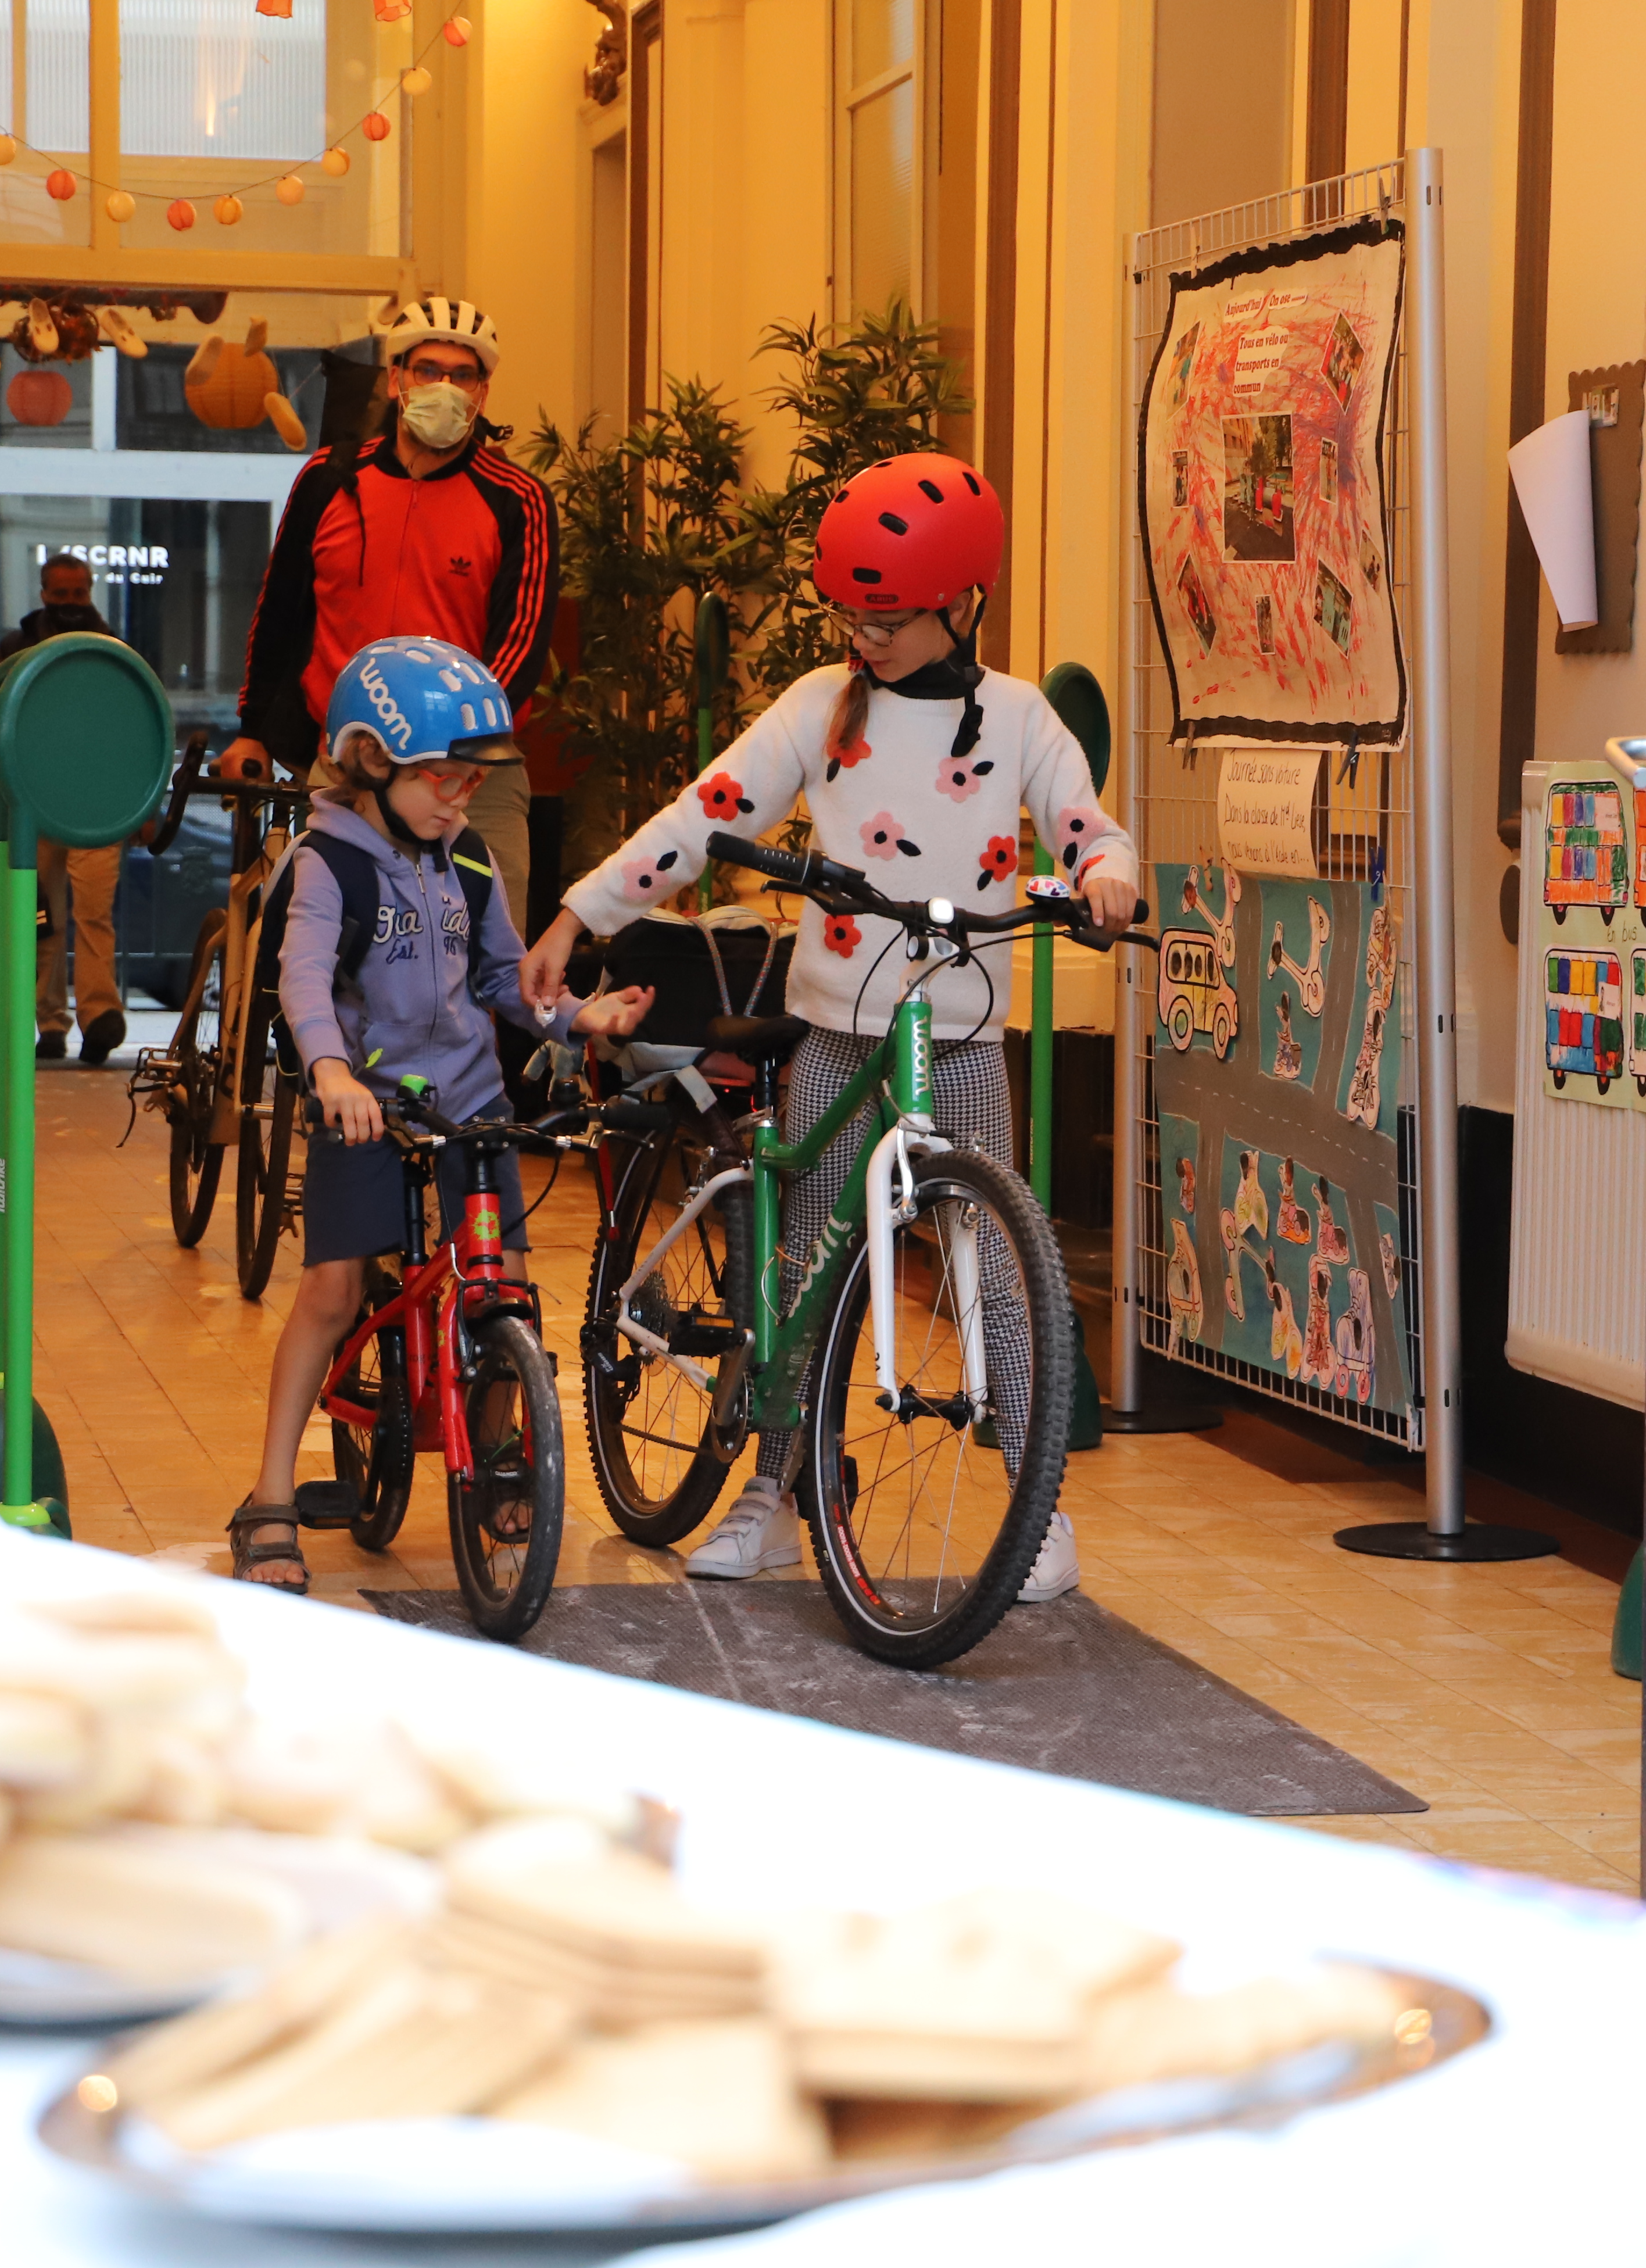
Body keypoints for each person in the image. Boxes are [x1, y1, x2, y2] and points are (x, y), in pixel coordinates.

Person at [518, 451, 1139, 1601]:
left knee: (997, 1269)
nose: (868, 631)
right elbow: (700, 819)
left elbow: (1086, 821)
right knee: (806, 1263)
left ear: (964, 603)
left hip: (959, 1038)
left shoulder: (1020, 718)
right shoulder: (820, 704)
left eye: (892, 612)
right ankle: (777, 1489)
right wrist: (576, 912)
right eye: (852, 610)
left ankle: (1031, 1500)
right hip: (841, 1035)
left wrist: (1105, 872)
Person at [229, 638, 652, 1594]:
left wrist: (585, 1016)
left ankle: (499, 1452)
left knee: (500, 1289)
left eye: (470, 781)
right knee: (334, 1295)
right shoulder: (327, 861)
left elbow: (506, 978)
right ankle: (269, 1497)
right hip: (365, 1111)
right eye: (440, 781)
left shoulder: (466, 861)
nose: (461, 800)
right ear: (369, 762)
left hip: (471, 1108)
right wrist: (330, 1073)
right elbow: (300, 979)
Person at [218, 298, 554, 889]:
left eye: (463, 374)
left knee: (488, 964)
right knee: (337, 955)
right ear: (397, 379)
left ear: (483, 391)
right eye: (428, 370)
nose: (444, 387)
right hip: (350, 768)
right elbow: (279, 613)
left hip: (473, 773)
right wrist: (251, 728)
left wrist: (451, 746)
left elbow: (520, 644)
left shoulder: (517, 498)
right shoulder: (329, 479)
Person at [0, 551, 128, 1064]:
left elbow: (131, 728)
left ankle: (98, 1018)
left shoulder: (113, 647)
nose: (73, 602)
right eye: (63, 593)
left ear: (89, 590)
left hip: (99, 804)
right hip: (34, 802)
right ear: (45, 592)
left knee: (94, 914)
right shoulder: (16, 648)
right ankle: (50, 1023)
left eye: (80, 592)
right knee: (43, 919)